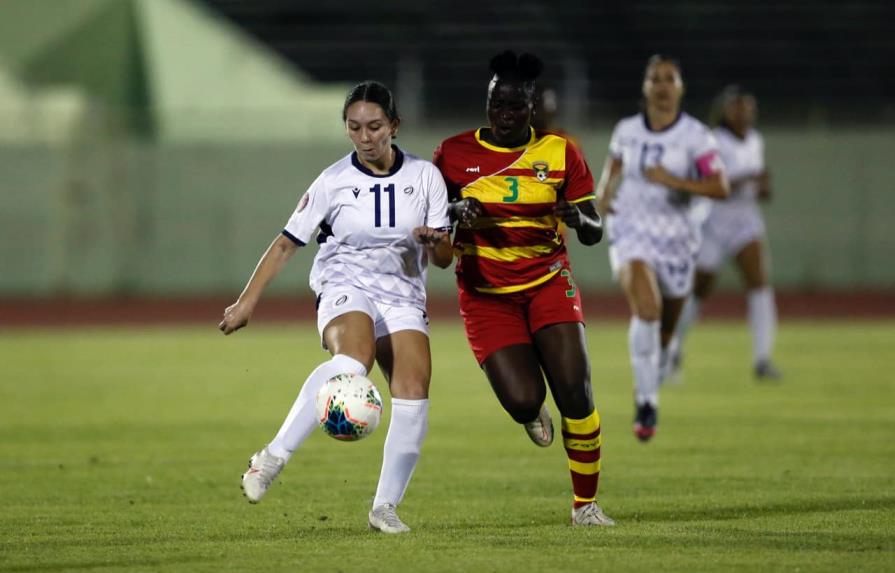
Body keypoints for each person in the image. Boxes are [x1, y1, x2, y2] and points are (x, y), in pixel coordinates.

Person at [219, 80, 453, 534]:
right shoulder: (333, 181)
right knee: (353, 360)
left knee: (414, 389)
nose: (365, 138)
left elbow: (444, 259)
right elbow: (287, 243)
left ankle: (384, 506)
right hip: (345, 284)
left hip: (402, 294)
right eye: (354, 128)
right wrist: (247, 302)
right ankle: (272, 457)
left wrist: (436, 240)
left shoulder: (426, 178)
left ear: (395, 126)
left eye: (375, 127)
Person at [434, 51, 614, 526]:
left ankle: (585, 506)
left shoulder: (561, 152)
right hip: (486, 295)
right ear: (487, 102)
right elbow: (432, 219)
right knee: (522, 400)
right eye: (498, 104)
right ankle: (530, 412)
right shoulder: (452, 154)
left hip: (548, 282)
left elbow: (595, 228)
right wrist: (454, 213)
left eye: (516, 106)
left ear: (533, 107)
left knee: (575, 391)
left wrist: (580, 219)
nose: (505, 115)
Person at [595, 55, 730, 442]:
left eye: (670, 79)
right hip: (631, 229)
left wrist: (675, 181)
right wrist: (603, 197)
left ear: (680, 88)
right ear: (646, 86)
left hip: (677, 238)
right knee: (647, 308)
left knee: (666, 331)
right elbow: (614, 168)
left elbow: (719, 187)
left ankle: (656, 371)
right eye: (656, 78)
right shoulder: (626, 130)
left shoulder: (696, 137)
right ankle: (647, 400)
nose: (662, 86)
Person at [669, 86, 781, 380]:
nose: (743, 113)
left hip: (745, 222)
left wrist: (763, 187)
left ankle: (762, 359)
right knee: (699, 289)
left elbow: (758, 188)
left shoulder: (756, 140)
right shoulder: (714, 141)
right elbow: (715, 185)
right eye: (736, 107)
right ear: (725, 111)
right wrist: (750, 178)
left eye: (747, 107)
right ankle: (672, 350)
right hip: (714, 223)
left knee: (759, 283)